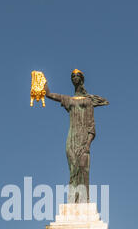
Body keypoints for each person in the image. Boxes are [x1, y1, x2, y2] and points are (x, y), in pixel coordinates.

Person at [45, 69, 109, 202]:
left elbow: (92, 126)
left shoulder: (87, 101)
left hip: (84, 137)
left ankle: (84, 199)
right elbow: (49, 94)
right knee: (73, 167)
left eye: (77, 76)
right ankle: (73, 199)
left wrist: (87, 144)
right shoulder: (69, 100)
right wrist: (41, 79)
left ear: (81, 79)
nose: (74, 78)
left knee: (83, 167)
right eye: (72, 76)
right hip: (72, 137)